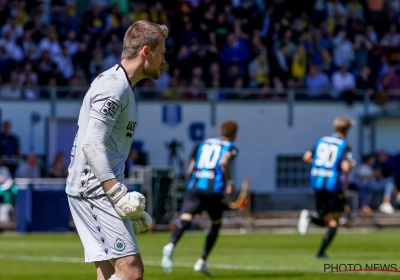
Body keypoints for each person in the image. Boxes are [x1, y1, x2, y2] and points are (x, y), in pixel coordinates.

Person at [65, 20, 168, 280]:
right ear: (147, 51)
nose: (164, 60)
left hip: (98, 188)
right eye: (162, 53)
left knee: (109, 272)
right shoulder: (114, 86)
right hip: (94, 189)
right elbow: (91, 144)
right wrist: (118, 194)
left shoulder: (124, 86)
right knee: (131, 271)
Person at [161, 120, 239, 275]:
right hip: (213, 190)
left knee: (186, 217)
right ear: (234, 134)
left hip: (195, 186)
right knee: (216, 224)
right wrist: (229, 182)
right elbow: (224, 162)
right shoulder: (230, 146)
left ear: (220, 131)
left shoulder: (202, 144)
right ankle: (201, 261)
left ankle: (170, 245)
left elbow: (191, 167)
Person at [298, 116, 356, 258]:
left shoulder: (321, 140)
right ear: (347, 129)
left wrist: (319, 165)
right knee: (333, 222)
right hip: (332, 185)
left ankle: (321, 251)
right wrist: (350, 165)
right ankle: (312, 225)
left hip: (317, 182)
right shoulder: (344, 144)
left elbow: (306, 157)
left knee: (329, 221)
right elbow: (345, 167)